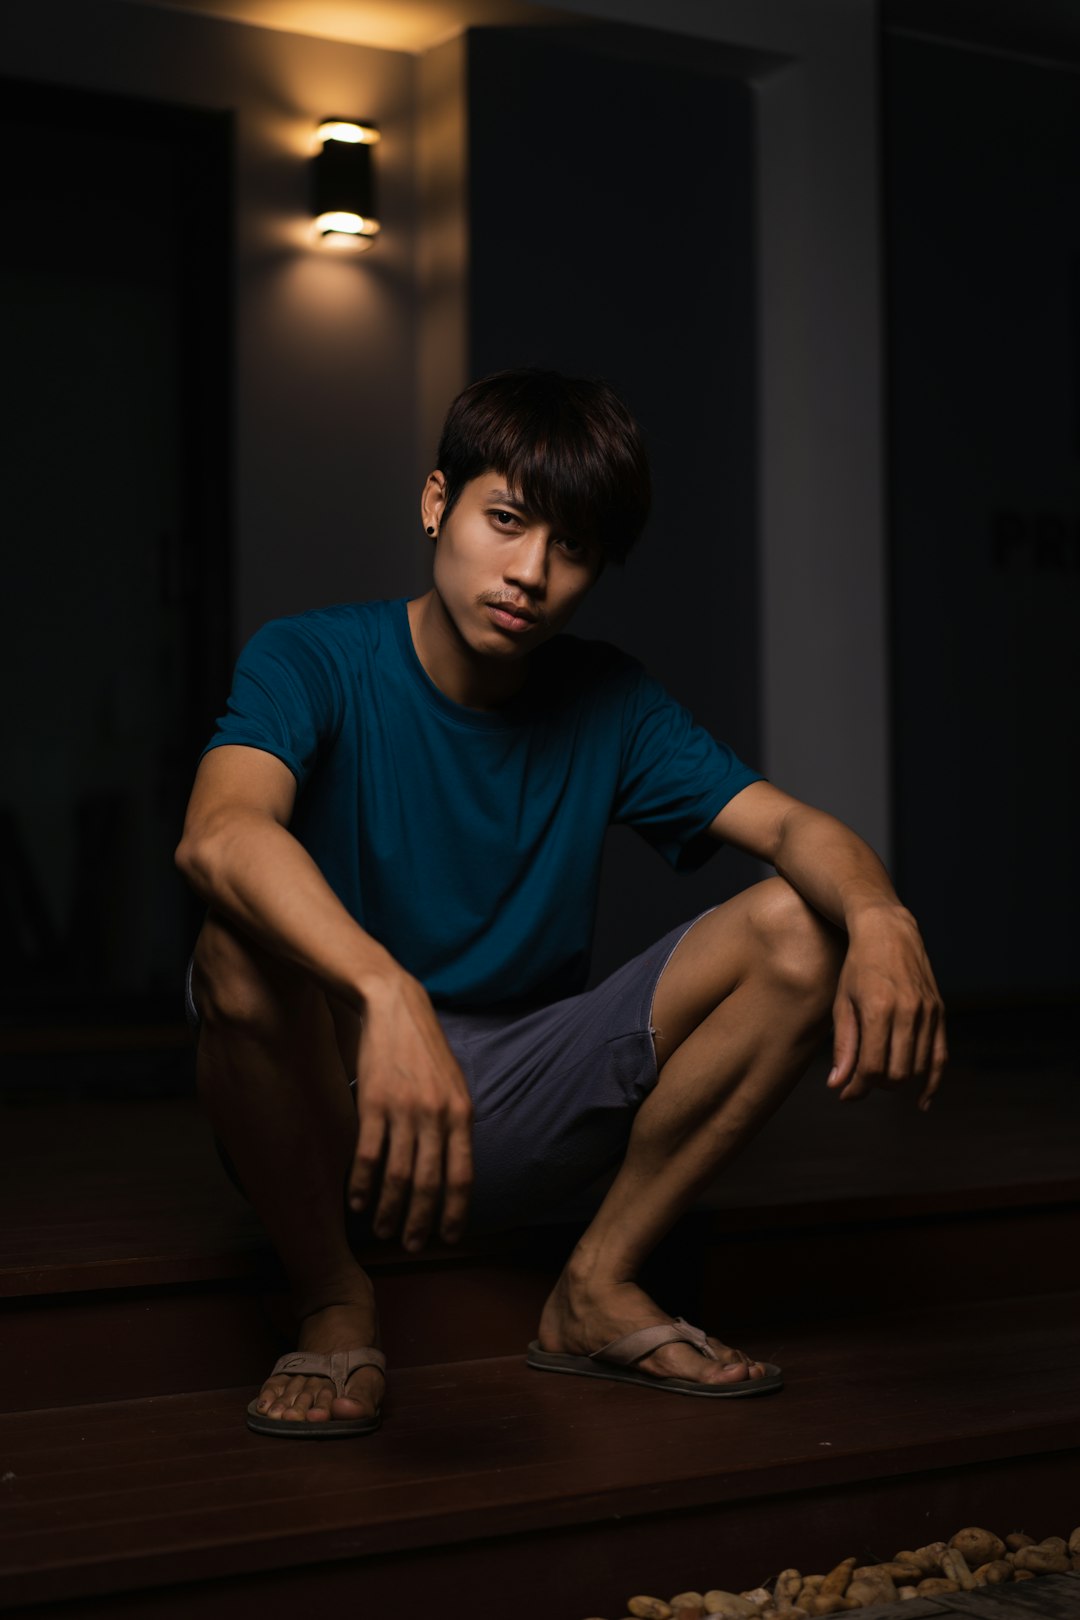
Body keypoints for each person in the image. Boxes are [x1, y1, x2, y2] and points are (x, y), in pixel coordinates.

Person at [176, 368, 946, 1438]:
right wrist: (384, 988)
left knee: (802, 926)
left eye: (572, 549)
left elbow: (789, 830)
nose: (530, 572)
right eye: (506, 521)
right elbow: (219, 833)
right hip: (331, 1097)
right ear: (437, 501)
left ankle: (595, 1284)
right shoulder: (313, 656)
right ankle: (332, 1296)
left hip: (519, 1106)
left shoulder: (608, 703)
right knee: (233, 945)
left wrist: (883, 917)